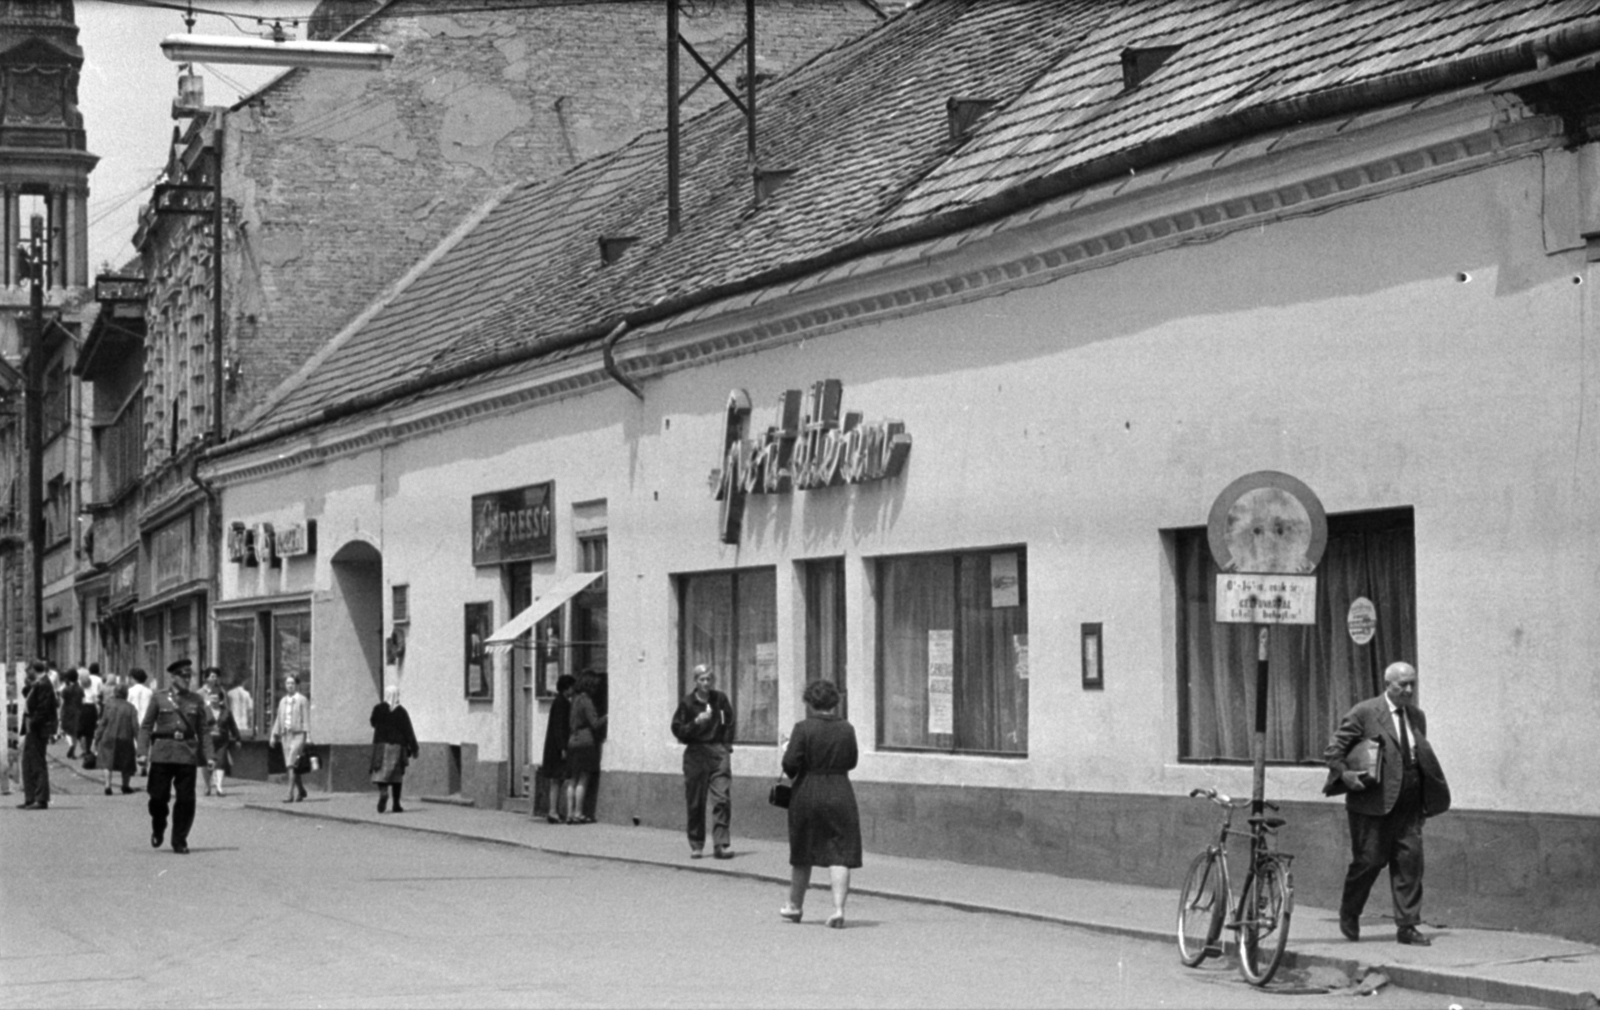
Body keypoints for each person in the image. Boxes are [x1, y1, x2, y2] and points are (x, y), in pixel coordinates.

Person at [1324, 661, 1451, 946]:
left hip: (1409, 803)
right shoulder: (1365, 712)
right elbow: (1334, 750)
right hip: (1372, 804)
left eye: (1412, 684)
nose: (1408, 690)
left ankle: (1407, 926)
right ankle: (1350, 911)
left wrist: (1423, 800)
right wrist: (1345, 774)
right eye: (1402, 684)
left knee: (1410, 864)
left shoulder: (1417, 716)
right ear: (1387, 685)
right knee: (1369, 862)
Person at [778, 679, 862, 928]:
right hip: (839, 790)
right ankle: (838, 909)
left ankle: (794, 906)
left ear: (809, 702)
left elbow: (790, 765)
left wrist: (787, 749)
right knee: (841, 851)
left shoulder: (803, 728)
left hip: (808, 791)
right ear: (834, 701)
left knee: (803, 850)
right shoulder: (847, 728)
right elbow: (852, 761)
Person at [138, 659, 215, 854]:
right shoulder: (159, 698)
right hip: (162, 754)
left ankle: (179, 839)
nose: (187, 679)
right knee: (157, 797)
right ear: (173, 677)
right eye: (183, 675)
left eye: (190, 676)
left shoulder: (196, 700)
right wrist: (142, 752)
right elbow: (146, 727)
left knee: (186, 800)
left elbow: (203, 730)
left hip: (186, 754)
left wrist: (210, 756)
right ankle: (159, 824)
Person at [670, 663, 736, 859]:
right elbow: (677, 729)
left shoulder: (720, 699)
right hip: (696, 754)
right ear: (695, 682)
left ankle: (721, 844)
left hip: (717, 752)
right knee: (695, 802)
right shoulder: (688, 703)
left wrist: (726, 744)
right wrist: (695, 723)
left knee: (722, 799)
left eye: (709, 679)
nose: (706, 683)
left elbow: (729, 721)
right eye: (702, 679)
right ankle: (697, 843)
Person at [369, 685, 419, 813]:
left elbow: (373, 722)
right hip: (398, 747)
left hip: (381, 745)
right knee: (397, 776)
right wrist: (414, 748)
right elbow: (408, 731)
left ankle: (384, 791)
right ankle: (396, 804)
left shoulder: (378, 709)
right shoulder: (401, 712)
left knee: (380, 773)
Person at [564, 673, 606, 824]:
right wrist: (607, 716)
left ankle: (569, 813)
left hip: (572, 741)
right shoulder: (586, 701)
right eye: (594, 686)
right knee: (583, 779)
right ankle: (578, 813)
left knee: (572, 779)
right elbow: (594, 723)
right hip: (585, 741)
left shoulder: (574, 700)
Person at [19, 661, 58, 810]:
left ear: (34, 670)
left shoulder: (44, 684)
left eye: (28, 670)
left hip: (38, 727)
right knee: (27, 761)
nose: (26, 672)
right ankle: (30, 797)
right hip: (32, 725)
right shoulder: (38, 683)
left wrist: (33, 723)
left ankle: (41, 798)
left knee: (37, 762)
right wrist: (29, 684)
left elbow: (44, 708)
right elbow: (27, 695)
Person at [93, 683, 140, 795]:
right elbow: (135, 727)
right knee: (126, 762)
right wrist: (140, 742)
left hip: (108, 736)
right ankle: (125, 785)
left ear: (115, 693)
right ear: (126, 694)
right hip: (125, 737)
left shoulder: (109, 705)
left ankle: (107, 785)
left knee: (107, 761)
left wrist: (97, 737)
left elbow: (103, 723)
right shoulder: (131, 708)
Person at [270, 675, 311, 802]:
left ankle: (289, 794)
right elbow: (278, 719)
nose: (290, 685)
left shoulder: (302, 700)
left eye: (292, 683)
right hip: (285, 736)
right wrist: (273, 735)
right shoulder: (283, 701)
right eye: (287, 683)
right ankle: (301, 790)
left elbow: (306, 718)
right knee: (293, 765)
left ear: (297, 685)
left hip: (298, 735)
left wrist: (308, 735)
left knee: (290, 764)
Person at [541, 674, 575, 824]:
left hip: (554, 746)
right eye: (572, 687)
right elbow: (560, 727)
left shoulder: (559, 701)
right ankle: (553, 811)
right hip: (557, 747)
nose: (573, 690)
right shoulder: (562, 703)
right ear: (566, 688)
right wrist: (563, 748)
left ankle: (553, 810)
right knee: (556, 779)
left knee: (557, 780)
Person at [205, 690, 242, 797]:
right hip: (208, 742)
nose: (214, 701)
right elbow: (199, 725)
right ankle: (208, 786)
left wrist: (237, 738)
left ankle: (219, 787)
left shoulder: (226, 712)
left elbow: (233, 726)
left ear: (220, 700)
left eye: (216, 698)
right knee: (209, 764)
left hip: (222, 742)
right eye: (212, 698)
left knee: (220, 763)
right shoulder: (205, 711)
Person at [126, 669, 153, 776]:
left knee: (133, 743)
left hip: (134, 719)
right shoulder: (149, 692)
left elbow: (127, 705)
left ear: (134, 678)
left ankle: (133, 766)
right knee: (146, 743)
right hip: (146, 719)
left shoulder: (130, 691)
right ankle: (144, 766)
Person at [57, 669, 83, 759]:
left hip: (67, 711)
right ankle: (74, 749)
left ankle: (71, 745)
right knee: (74, 731)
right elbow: (82, 700)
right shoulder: (80, 689)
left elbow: (62, 701)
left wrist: (60, 712)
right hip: (77, 711)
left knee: (66, 729)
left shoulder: (66, 689)